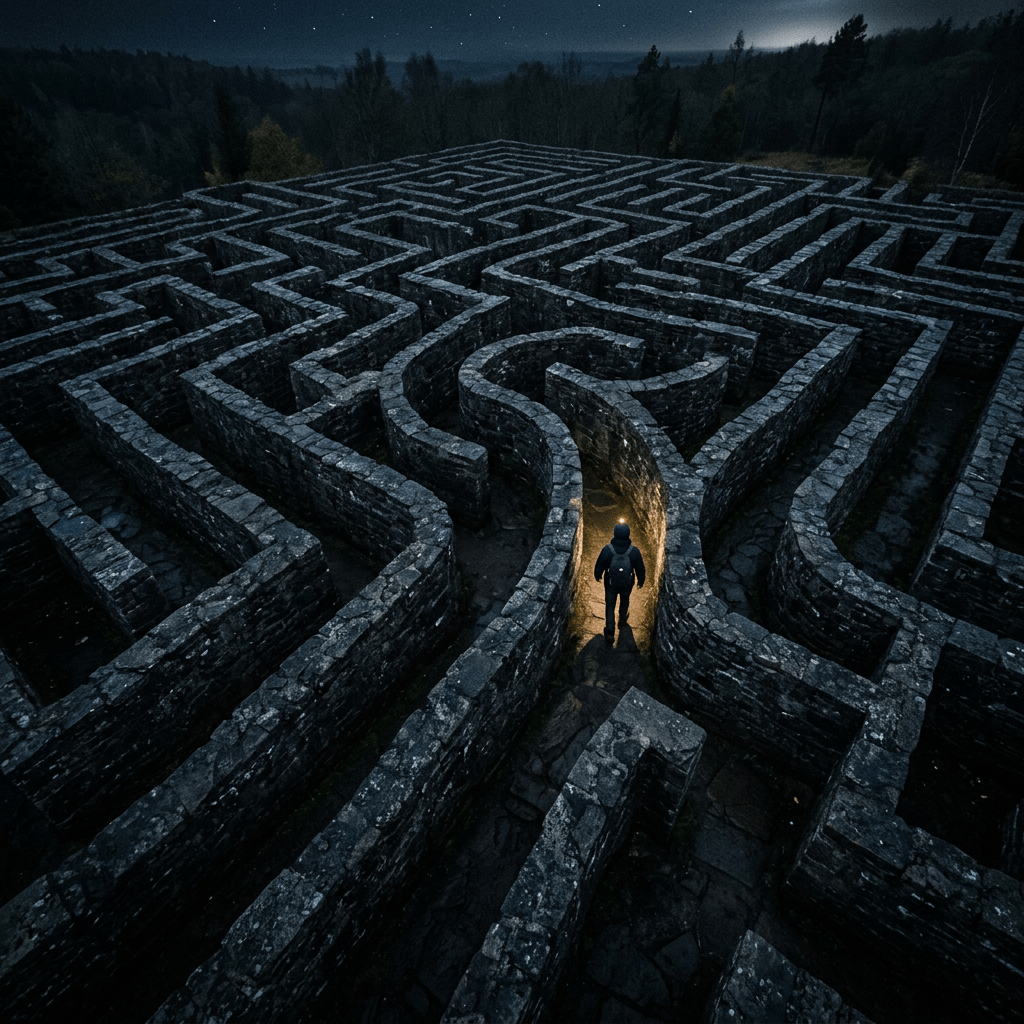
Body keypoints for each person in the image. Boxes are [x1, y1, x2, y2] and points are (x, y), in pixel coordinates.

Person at [594, 521, 645, 641]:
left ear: (614, 534)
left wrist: (598, 575)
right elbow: (640, 568)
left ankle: (610, 630)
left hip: (611, 583)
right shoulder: (634, 551)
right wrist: (640, 581)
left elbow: (600, 564)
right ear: (628, 534)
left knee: (610, 605)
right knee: (625, 600)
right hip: (627, 584)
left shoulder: (608, 550)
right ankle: (622, 621)